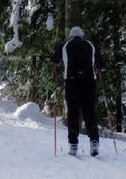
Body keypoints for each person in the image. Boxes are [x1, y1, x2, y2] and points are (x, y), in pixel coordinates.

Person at [51, 26, 104, 157]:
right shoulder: (91, 45)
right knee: (89, 113)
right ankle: (94, 142)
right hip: (89, 82)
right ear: (82, 35)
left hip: (71, 82)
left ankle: (73, 145)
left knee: (73, 113)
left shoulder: (64, 45)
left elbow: (54, 59)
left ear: (71, 35)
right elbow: (100, 64)